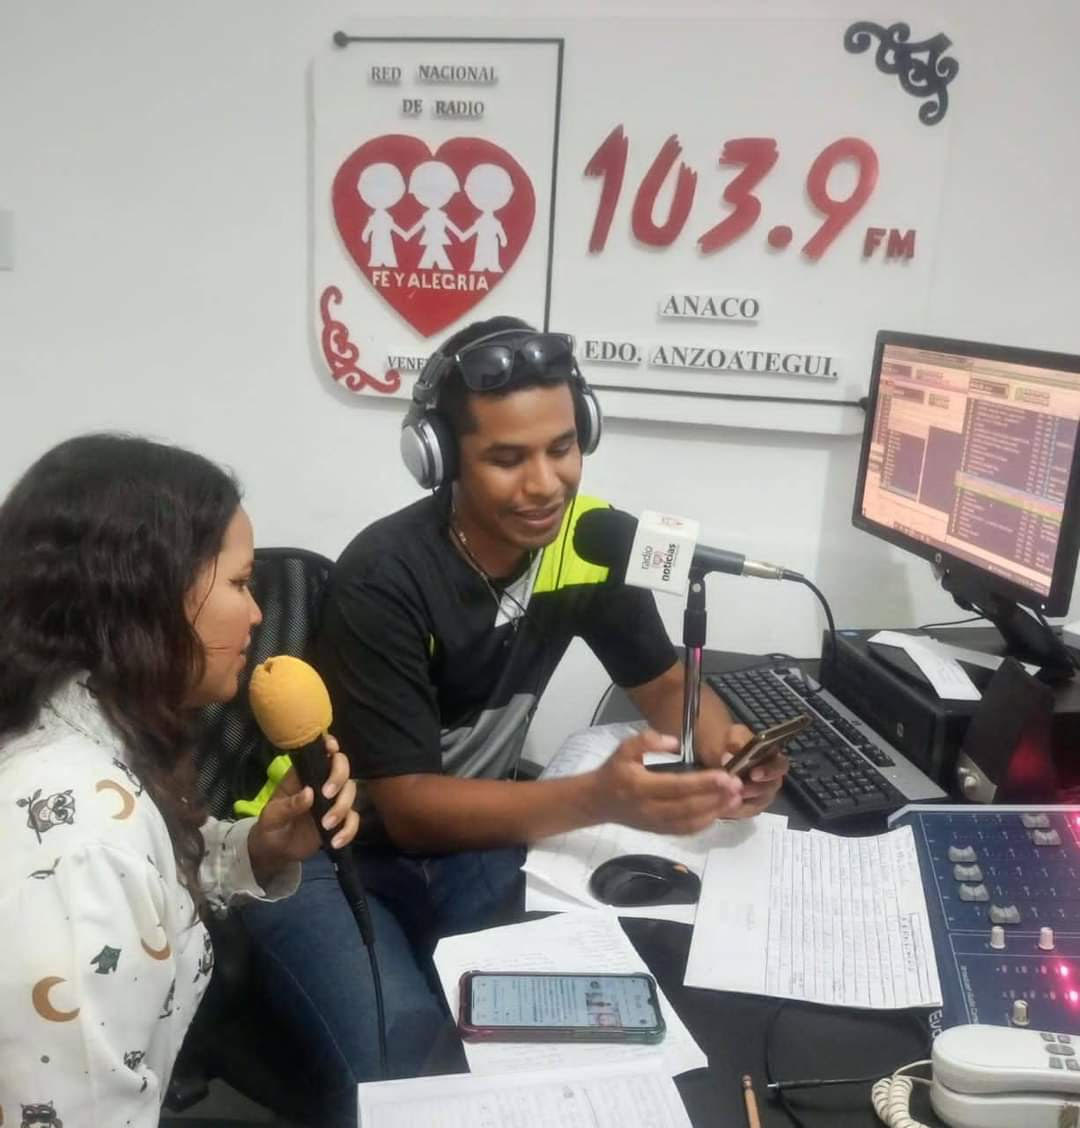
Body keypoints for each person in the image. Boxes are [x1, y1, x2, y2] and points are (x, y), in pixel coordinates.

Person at [238, 316, 790, 1111]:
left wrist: (729, 747)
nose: (545, 484)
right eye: (507, 459)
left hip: (468, 838)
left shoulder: (587, 542)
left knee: (576, 1032)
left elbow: (666, 684)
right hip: (320, 850)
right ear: (441, 458)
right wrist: (600, 797)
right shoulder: (384, 578)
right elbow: (410, 810)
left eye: (562, 447)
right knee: (407, 1074)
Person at [0, 434, 359, 1128]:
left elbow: (152, 880)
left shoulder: (86, 731)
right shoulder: (80, 847)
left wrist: (259, 848)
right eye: (239, 584)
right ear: (147, 595)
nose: (258, 614)